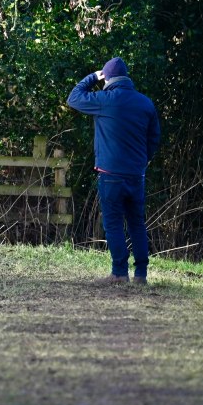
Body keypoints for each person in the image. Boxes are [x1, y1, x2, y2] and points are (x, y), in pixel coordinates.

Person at [67, 57, 160, 285]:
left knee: (113, 223)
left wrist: (92, 77)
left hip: (110, 174)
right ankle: (141, 275)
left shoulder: (105, 100)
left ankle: (119, 273)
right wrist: (142, 160)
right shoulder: (146, 103)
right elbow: (154, 138)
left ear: (107, 79)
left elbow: (74, 98)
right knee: (137, 223)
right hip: (136, 175)